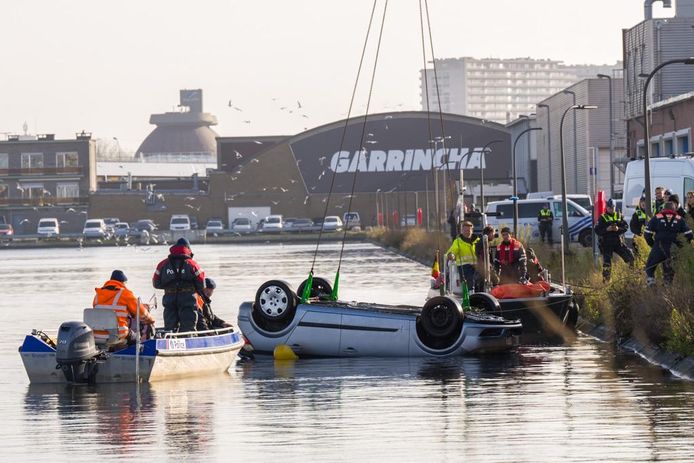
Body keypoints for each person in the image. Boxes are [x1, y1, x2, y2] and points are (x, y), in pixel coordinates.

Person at [153, 237, 206, 332]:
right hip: (188, 299)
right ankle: (189, 344)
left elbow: (156, 283)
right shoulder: (192, 264)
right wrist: (192, 289)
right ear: (188, 249)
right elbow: (201, 283)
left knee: (169, 329)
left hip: (169, 298)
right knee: (188, 328)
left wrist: (170, 287)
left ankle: (170, 344)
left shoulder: (162, 264)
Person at [93, 270, 155, 345]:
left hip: (97, 335)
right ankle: (140, 351)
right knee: (137, 336)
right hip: (118, 335)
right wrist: (151, 320)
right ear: (123, 282)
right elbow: (142, 313)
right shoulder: (125, 293)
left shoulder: (97, 295)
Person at [643, 201, 693, 286]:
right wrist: (680, 245)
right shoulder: (679, 219)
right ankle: (667, 290)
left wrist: (653, 245)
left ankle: (651, 286)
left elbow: (647, 234)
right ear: (674, 209)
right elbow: (689, 234)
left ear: (664, 209)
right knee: (669, 273)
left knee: (649, 268)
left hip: (658, 247)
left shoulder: (656, 217)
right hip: (673, 249)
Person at [594, 198, 634, 281]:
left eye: (613, 208)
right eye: (609, 208)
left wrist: (618, 229)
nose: (611, 209)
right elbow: (597, 230)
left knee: (630, 258)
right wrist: (606, 229)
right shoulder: (602, 217)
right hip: (607, 243)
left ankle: (632, 277)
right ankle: (606, 281)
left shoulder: (619, 215)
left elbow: (625, 227)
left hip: (618, 241)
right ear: (607, 208)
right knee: (607, 263)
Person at [446, 221, 479, 292]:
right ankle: (470, 295)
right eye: (465, 230)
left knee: (480, 279)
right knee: (470, 280)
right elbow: (452, 251)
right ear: (462, 231)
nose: (467, 232)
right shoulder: (458, 242)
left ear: (472, 230)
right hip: (464, 266)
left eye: (469, 230)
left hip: (477, 265)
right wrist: (451, 255)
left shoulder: (477, 240)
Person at [474, 225, 498, 290]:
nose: (494, 235)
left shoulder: (483, 242)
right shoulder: (483, 243)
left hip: (483, 268)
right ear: (489, 233)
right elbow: (482, 257)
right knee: (495, 281)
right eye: (493, 233)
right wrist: (489, 267)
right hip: (483, 269)